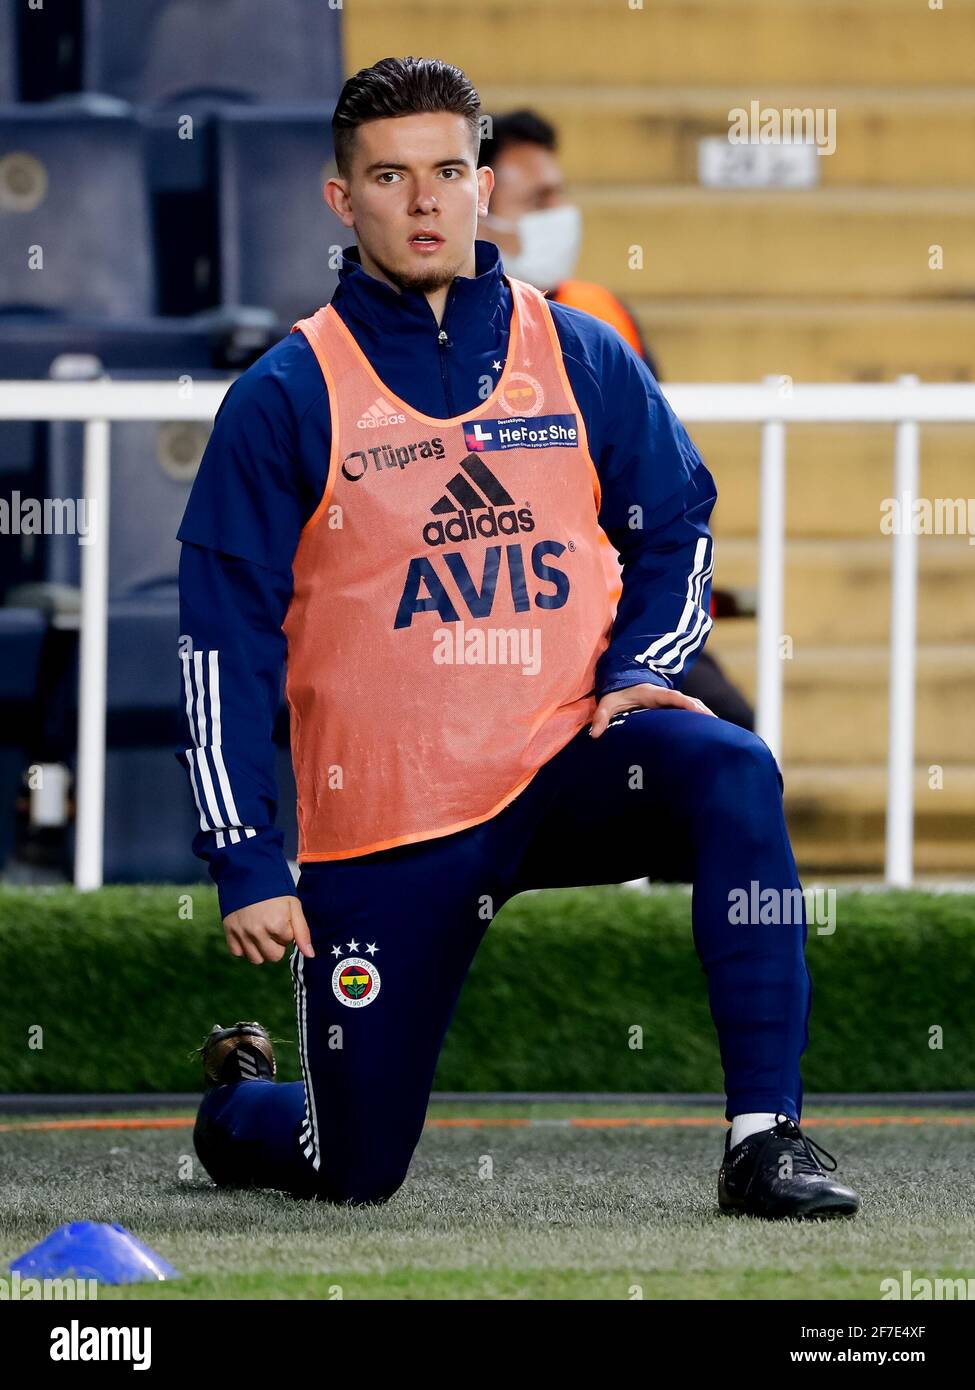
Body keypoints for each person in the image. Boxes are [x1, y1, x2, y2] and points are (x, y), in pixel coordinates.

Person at [177, 56, 858, 1220]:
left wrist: (644, 666)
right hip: (392, 820)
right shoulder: (288, 393)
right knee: (349, 1172)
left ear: (483, 185)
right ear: (345, 202)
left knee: (732, 767)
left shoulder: (579, 351)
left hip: (563, 760)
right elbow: (218, 636)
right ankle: (241, 1099)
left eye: (448, 171)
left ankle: (767, 1139)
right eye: (390, 176)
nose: (425, 200)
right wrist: (244, 854)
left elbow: (677, 520)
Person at [476, 108, 754, 730]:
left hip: (619, 614)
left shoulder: (603, 323)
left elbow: (663, 490)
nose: (561, 212)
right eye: (540, 198)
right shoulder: (437, 338)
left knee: (726, 732)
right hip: (493, 622)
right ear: (480, 206)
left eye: (560, 193)